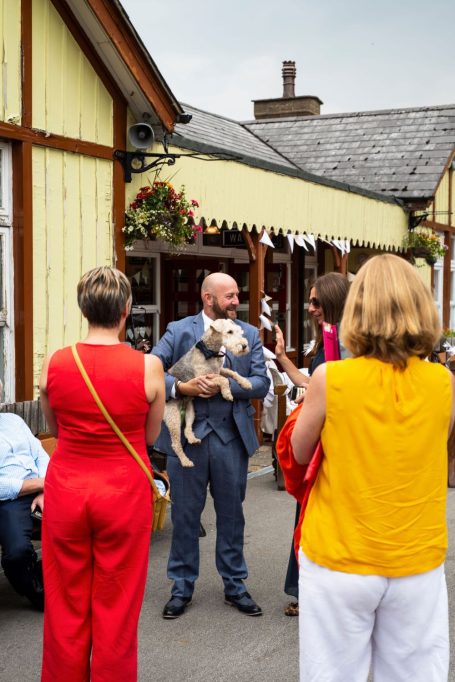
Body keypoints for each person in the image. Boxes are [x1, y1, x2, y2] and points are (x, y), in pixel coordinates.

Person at [291, 254, 455, 682]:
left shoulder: (331, 378)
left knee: (331, 674)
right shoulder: (443, 382)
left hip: (341, 553)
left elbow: (299, 452)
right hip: (416, 554)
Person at [39, 266, 165, 682]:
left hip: (67, 487)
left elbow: (56, 429)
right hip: (123, 490)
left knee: (65, 603)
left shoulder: (56, 362)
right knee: (117, 606)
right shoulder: (148, 367)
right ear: (126, 309)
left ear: (84, 309)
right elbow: (149, 437)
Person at [151, 272, 269, 619]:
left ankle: (235, 585)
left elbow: (261, 382)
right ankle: (181, 587)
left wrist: (226, 386)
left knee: (232, 515)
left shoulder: (248, 334)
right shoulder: (178, 330)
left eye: (236, 295)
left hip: (230, 437)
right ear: (208, 298)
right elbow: (152, 368)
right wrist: (181, 388)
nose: (236, 301)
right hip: (188, 438)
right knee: (185, 516)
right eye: (229, 296)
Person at [275, 272, 349, 616]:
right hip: (321, 440)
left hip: (329, 447)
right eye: (309, 301)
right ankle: (308, 592)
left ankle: (317, 595)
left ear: (334, 302)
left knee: (315, 519)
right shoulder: (329, 337)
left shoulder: (345, 343)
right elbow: (312, 383)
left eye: (316, 302)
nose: (310, 308)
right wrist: (282, 357)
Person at [0, 380, 48, 610]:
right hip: (10, 500)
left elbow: (40, 454)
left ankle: (64, 579)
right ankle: (38, 591)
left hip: (42, 489)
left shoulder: (13, 420)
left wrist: (44, 489)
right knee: (17, 553)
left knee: (87, 524)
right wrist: (38, 484)